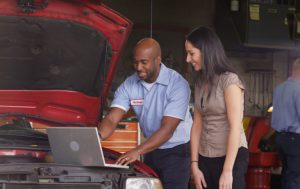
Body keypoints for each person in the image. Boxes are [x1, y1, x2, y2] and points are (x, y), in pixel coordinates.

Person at [98, 38, 193, 189]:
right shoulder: (129, 84)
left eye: (144, 62)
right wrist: (97, 138)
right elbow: (112, 118)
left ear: (158, 60)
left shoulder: (178, 84)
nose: (138, 67)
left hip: (177, 151)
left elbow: (167, 130)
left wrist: (137, 151)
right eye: (135, 62)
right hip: (151, 149)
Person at [185, 26, 248, 189]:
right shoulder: (200, 82)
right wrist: (194, 164)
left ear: (206, 51)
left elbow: (235, 126)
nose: (187, 59)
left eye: (191, 53)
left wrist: (228, 171)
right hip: (205, 155)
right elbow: (197, 124)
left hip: (230, 157)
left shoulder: (230, 81)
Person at [271, 58, 300, 189]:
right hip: (295, 140)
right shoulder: (299, 89)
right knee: (295, 178)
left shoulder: (279, 88)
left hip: (280, 138)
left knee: (287, 175)